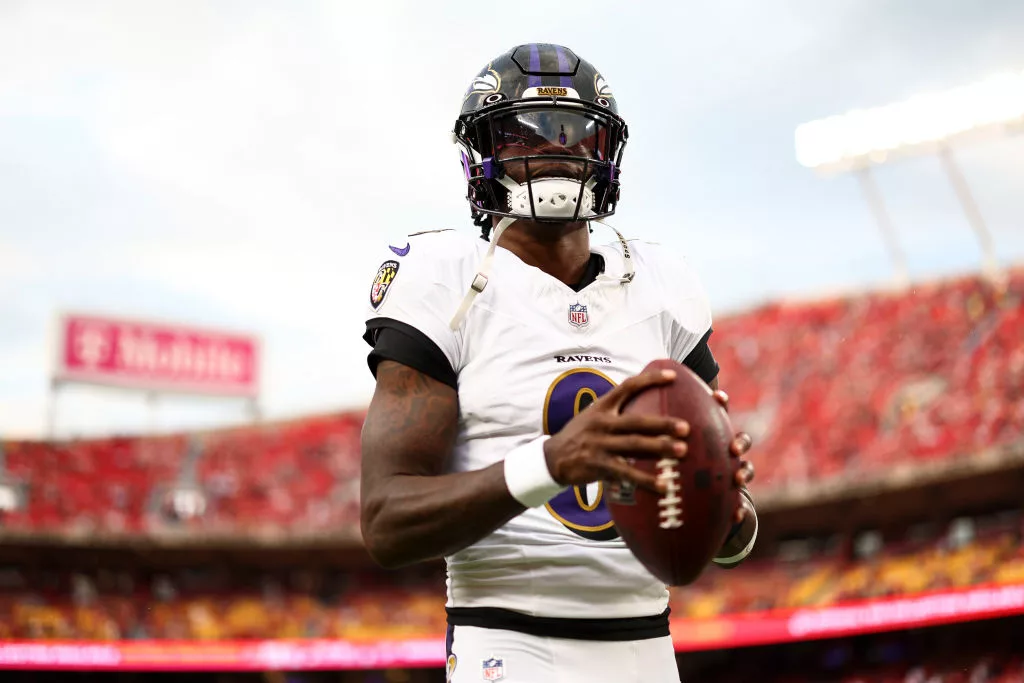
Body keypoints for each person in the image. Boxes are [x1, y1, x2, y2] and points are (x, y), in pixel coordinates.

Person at [360, 43, 757, 683]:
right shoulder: (449, 281)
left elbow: (722, 541)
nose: (557, 150)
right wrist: (551, 463)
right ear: (482, 154)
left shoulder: (662, 283)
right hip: (508, 643)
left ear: (607, 154)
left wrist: (727, 513)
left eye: (577, 135)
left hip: (649, 649)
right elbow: (385, 522)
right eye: (526, 135)